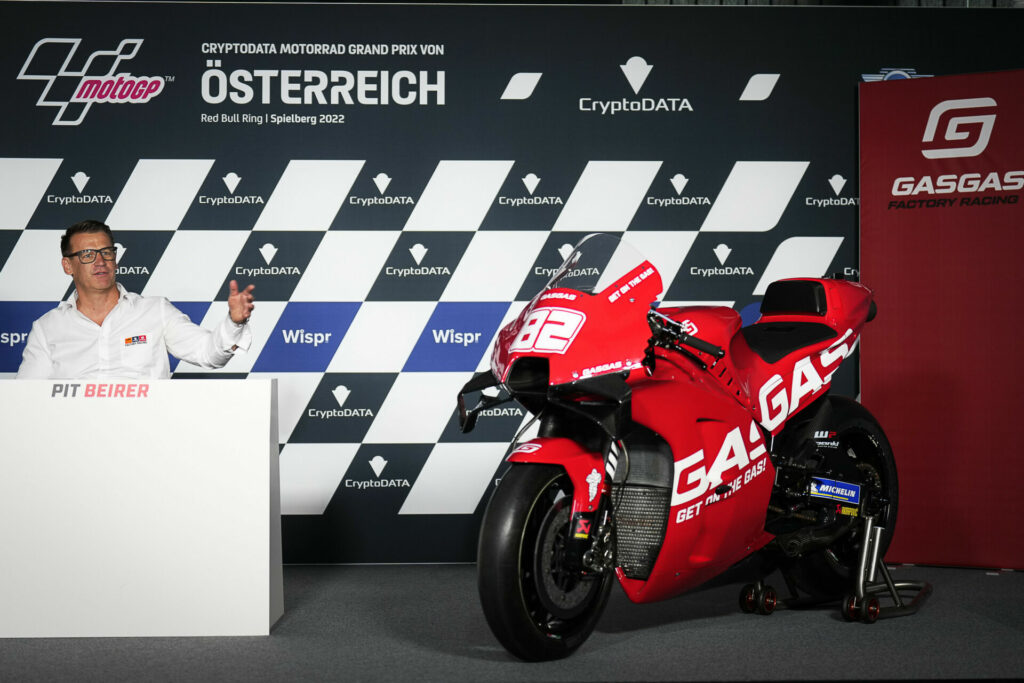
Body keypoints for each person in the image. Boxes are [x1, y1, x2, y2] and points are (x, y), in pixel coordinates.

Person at [16, 219, 256, 379]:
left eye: (106, 252)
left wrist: (234, 323)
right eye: (88, 254)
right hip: (74, 442)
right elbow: (27, 399)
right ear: (68, 265)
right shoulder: (47, 328)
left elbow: (208, 355)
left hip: (145, 439)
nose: (100, 262)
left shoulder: (155, 311)